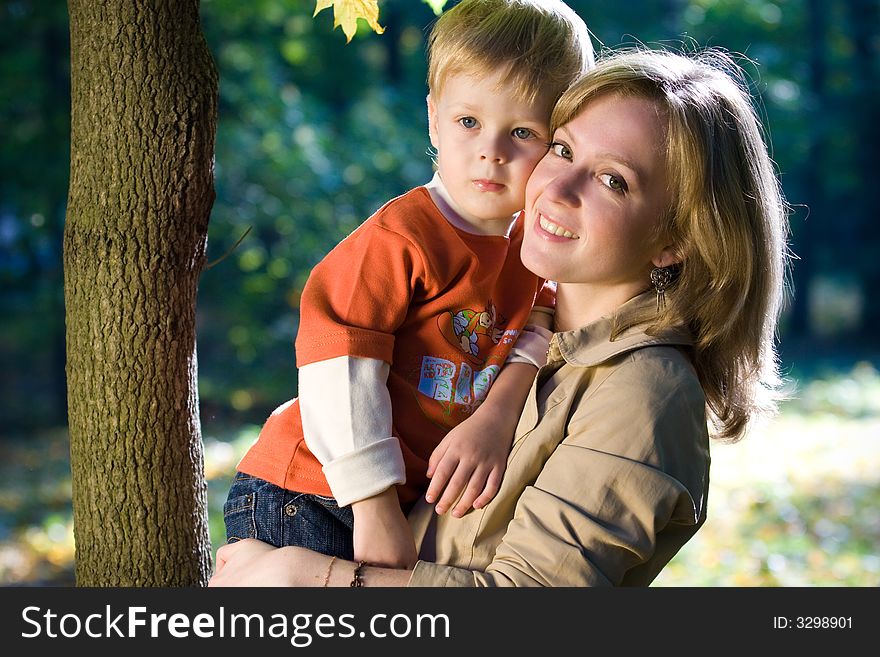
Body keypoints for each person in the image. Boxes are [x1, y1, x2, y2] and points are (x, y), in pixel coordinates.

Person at [209, 45, 790, 587]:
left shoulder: (644, 393)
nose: (557, 187)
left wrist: (302, 578)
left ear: (675, 240)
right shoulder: (522, 320)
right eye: (562, 149)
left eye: (614, 180)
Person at [222, 0, 595, 570]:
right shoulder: (404, 236)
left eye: (523, 131)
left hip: (398, 497)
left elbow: (540, 324)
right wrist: (372, 507)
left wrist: (496, 418)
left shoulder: (531, 247)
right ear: (433, 120)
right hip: (316, 489)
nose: (490, 151)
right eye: (468, 122)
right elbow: (339, 365)